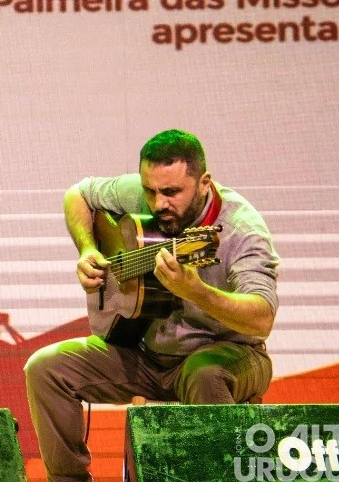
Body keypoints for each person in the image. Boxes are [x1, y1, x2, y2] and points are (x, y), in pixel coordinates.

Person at [24, 129, 279, 482]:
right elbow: (77, 195)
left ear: (204, 182)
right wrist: (87, 249)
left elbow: (262, 318)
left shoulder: (241, 230)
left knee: (204, 374)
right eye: (150, 191)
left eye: (172, 192)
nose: (159, 203)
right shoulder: (147, 194)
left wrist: (198, 292)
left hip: (230, 355)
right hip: (148, 356)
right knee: (46, 369)